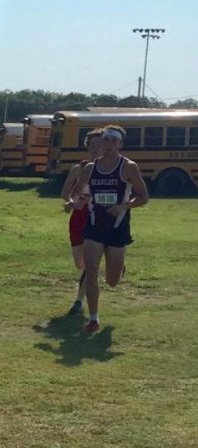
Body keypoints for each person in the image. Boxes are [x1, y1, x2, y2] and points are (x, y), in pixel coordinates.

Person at [77, 125, 149, 333]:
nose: (107, 145)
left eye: (112, 141)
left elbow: (143, 197)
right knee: (91, 273)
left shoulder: (128, 167)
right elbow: (78, 193)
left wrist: (123, 206)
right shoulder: (90, 168)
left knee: (112, 281)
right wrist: (75, 203)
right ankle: (93, 318)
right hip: (94, 226)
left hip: (117, 228)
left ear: (120, 145)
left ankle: (118, 268)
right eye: (105, 141)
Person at [60, 128, 104, 315]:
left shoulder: (110, 170)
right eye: (92, 145)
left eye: (99, 145)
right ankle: (108, 262)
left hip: (99, 217)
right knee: (80, 263)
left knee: (90, 262)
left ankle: (79, 302)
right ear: (87, 147)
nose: (96, 149)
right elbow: (65, 193)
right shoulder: (78, 168)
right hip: (79, 217)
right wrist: (71, 203)